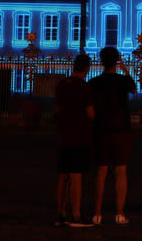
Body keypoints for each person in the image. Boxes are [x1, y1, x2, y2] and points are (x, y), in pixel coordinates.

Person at [89, 47, 136, 226]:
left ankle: (97, 214)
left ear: (101, 61)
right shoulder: (122, 81)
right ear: (116, 61)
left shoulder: (94, 82)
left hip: (101, 129)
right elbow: (134, 89)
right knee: (121, 172)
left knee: (101, 173)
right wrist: (125, 69)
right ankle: (119, 214)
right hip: (121, 129)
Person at [54, 53, 95, 227]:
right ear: (87, 69)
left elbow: (57, 110)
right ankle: (76, 215)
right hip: (80, 135)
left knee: (63, 176)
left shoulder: (62, 84)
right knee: (76, 175)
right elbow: (91, 113)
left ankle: (61, 213)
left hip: (64, 134)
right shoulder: (84, 87)